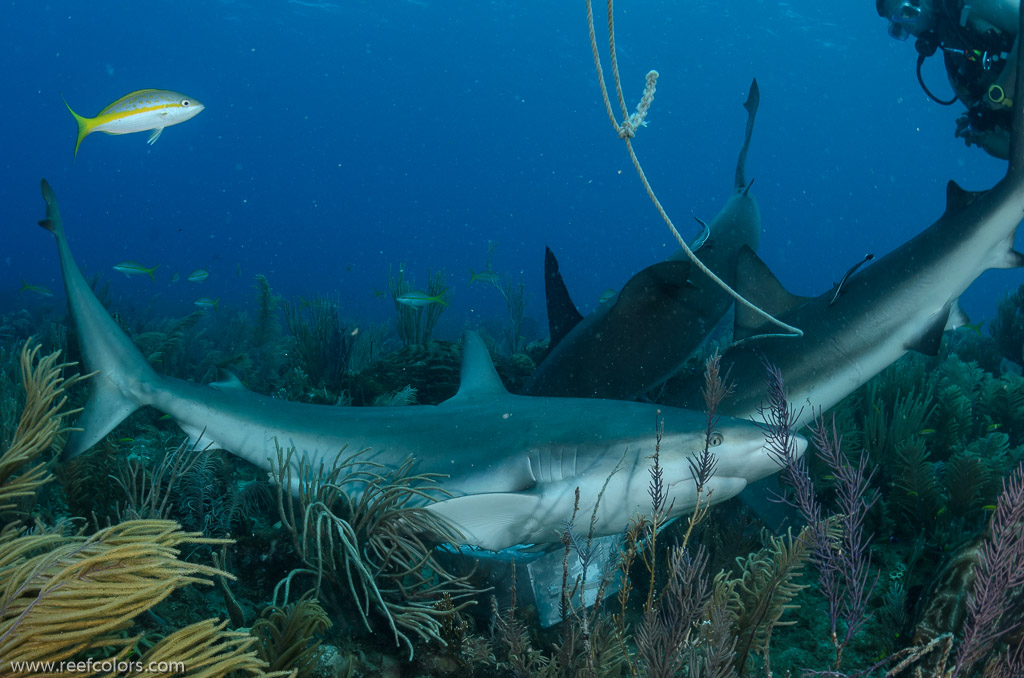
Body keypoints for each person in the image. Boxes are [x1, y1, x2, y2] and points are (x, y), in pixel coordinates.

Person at [877, 0, 1019, 158]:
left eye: (907, 13)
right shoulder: (956, 70)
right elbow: (1015, 148)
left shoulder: (974, 5)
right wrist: (982, 131)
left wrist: (996, 99)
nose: (911, 30)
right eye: (899, 28)